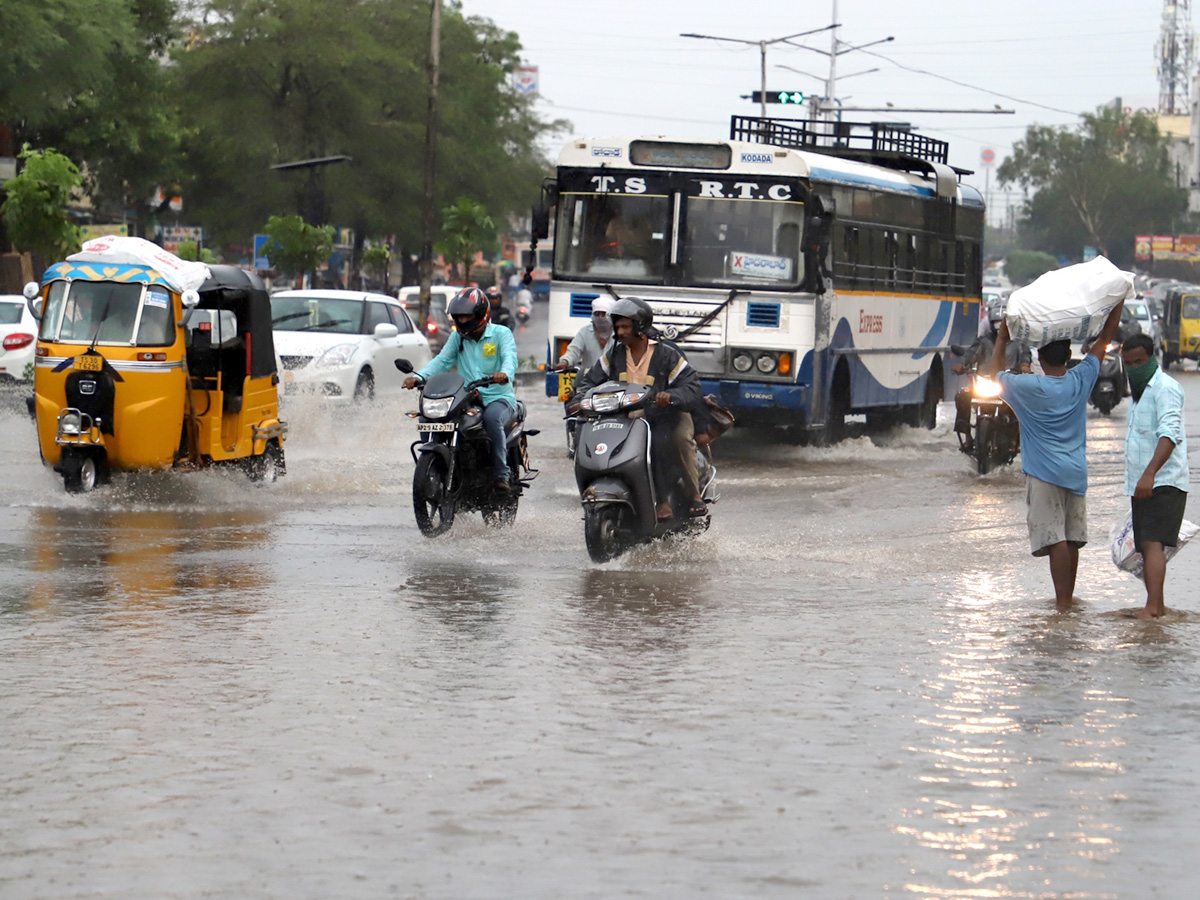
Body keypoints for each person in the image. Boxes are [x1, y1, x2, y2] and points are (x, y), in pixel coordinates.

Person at [989, 301, 1124, 606]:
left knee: (1055, 539)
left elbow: (993, 375)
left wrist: (1001, 339)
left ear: (1038, 356)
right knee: (1072, 537)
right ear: (1069, 355)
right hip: (1076, 472)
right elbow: (1104, 341)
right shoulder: (1081, 378)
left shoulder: (1027, 387)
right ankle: (1068, 599)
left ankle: (1062, 603)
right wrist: (1118, 301)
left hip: (1044, 474)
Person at [575, 297, 705, 520]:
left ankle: (684, 497)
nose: (620, 332)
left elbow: (692, 386)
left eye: (626, 326)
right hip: (625, 418)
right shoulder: (614, 355)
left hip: (666, 416)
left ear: (641, 327)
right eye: (618, 327)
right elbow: (589, 382)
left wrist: (670, 396)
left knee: (669, 441)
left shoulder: (667, 355)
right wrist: (580, 400)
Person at [403, 287, 519, 493]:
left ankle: (501, 475)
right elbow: (442, 360)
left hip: (497, 397)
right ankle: (435, 468)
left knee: (492, 419)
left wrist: (504, 374)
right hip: (467, 397)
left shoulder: (501, 334)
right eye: (459, 317)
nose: (463, 321)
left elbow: (510, 358)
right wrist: (419, 377)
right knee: (428, 418)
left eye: (468, 316)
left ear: (481, 314)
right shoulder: (458, 338)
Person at [1120, 332, 1189, 618]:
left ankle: (1152, 608)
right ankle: (1156, 605)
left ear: (1152, 359)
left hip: (1163, 480)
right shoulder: (1139, 393)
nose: (1134, 368)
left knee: (1152, 544)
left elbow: (1169, 434)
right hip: (1143, 483)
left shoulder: (1165, 388)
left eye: (1140, 361)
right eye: (1129, 363)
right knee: (1147, 546)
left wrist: (1149, 474)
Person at [952, 296, 1031, 448]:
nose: (999, 327)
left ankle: (1017, 437)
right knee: (962, 396)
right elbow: (970, 354)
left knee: (1024, 402)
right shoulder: (983, 341)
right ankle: (967, 435)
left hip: (1009, 385)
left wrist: (1024, 365)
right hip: (985, 383)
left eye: (1002, 324)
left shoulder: (1018, 342)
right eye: (996, 323)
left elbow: (1025, 355)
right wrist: (961, 365)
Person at [553, 296, 615, 375]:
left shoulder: (619, 334)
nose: (600, 318)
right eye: (597, 314)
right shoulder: (584, 332)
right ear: (592, 315)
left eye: (603, 314)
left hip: (613, 381)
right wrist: (565, 361)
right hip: (588, 380)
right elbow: (573, 351)